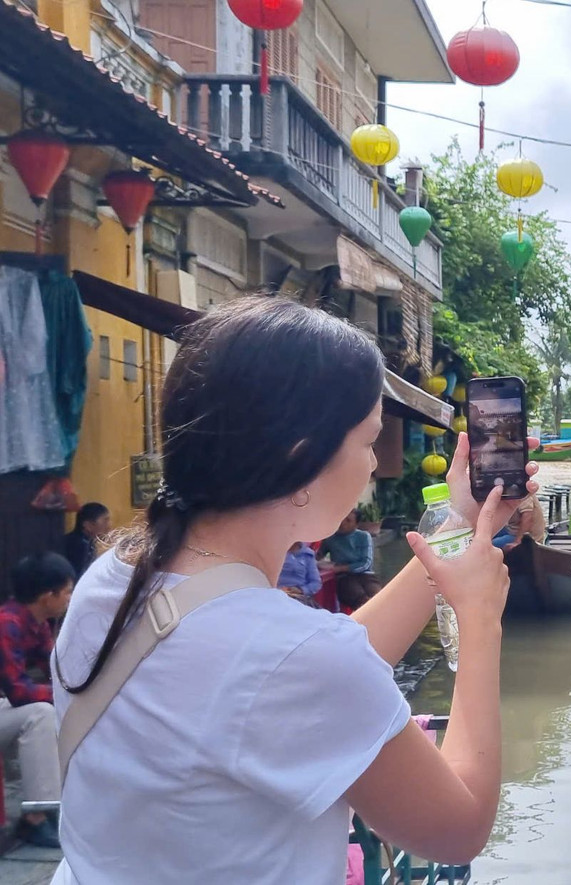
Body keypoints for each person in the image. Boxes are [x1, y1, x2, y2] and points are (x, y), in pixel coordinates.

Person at [50, 298, 539, 884]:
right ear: (301, 456)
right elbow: (459, 829)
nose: (369, 466)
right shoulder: (292, 658)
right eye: (368, 442)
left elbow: (304, 674)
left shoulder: (116, 575)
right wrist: (481, 621)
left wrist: (459, 522)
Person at [0, 553, 71, 848]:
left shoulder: (38, 623)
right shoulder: (6, 623)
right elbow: (18, 691)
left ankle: (51, 809)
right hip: (5, 701)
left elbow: (57, 668)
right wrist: (60, 694)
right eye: (67, 591)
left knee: (53, 711)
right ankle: (36, 818)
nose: (71, 598)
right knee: (40, 713)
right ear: (47, 596)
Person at [319, 509, 380, 610]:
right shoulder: (330, 538)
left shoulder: (363, 536)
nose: (342, 523)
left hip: (366, 575)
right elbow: (318, 555)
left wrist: (341, 568)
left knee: (378, 596)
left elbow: (366, 563)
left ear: (356, 524)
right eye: (341, 519)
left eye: (348, 520)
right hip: (344, 578)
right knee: (361, 600)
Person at [62, 502, 109, 578]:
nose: (108, 526)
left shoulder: (89, 542)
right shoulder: (75, 546)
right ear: (88, 525)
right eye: (105, 521)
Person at [277, 541, 322, 606]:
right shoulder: (273, 552)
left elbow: (316, 583)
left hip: (298, 597)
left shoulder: (307, 554)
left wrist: (301, 590)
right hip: (276, 595)